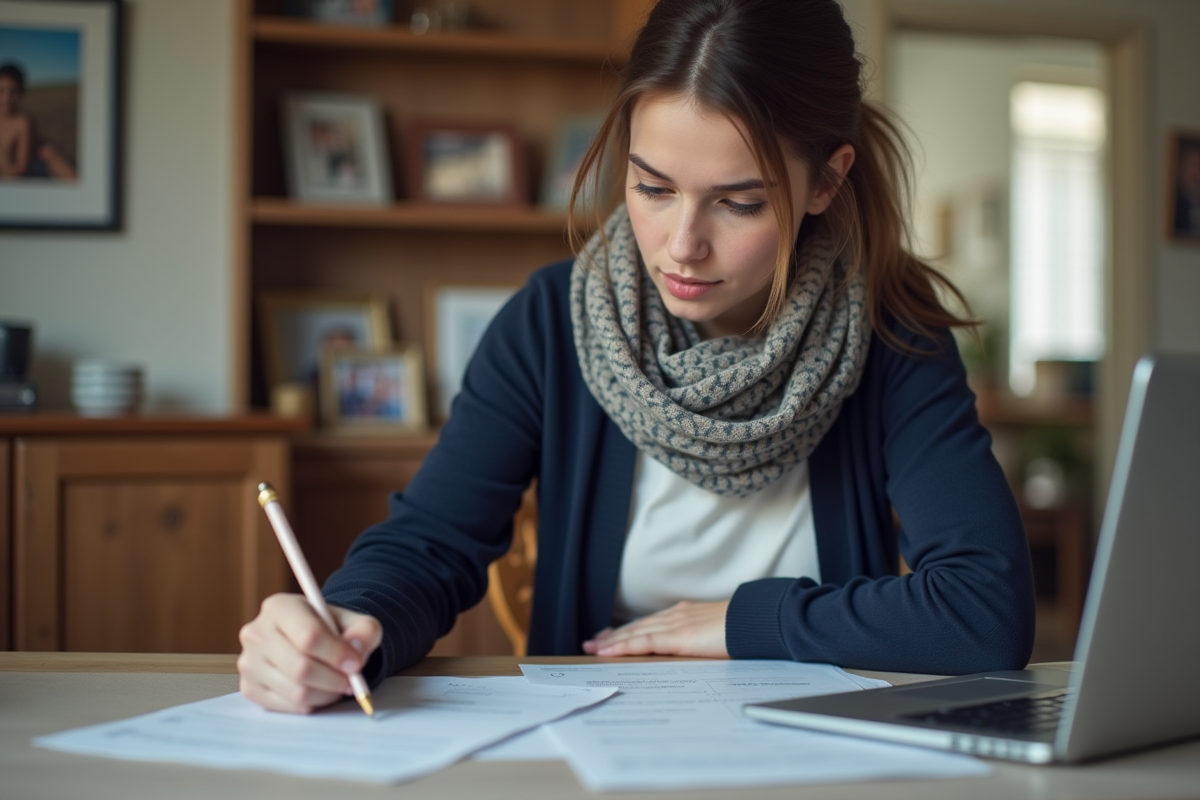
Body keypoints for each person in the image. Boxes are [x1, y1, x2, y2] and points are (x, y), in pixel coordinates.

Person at [238, 0, 1035, 714]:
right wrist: (349, 622)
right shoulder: (549, 322)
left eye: (739, 202)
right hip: (601, 737)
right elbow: (432, 543)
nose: (682, 245)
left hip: (820, 746)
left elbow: (984, 611)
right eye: (653, 187)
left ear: (826, 182)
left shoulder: (892, 332)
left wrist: (741, 622)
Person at [0, 61, 77, 181]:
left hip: (16, 180)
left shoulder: (22, 122)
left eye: (13, 91)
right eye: (1, 90)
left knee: (47, 150)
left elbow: (20, 170)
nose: (6, 98)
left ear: (21, 92)